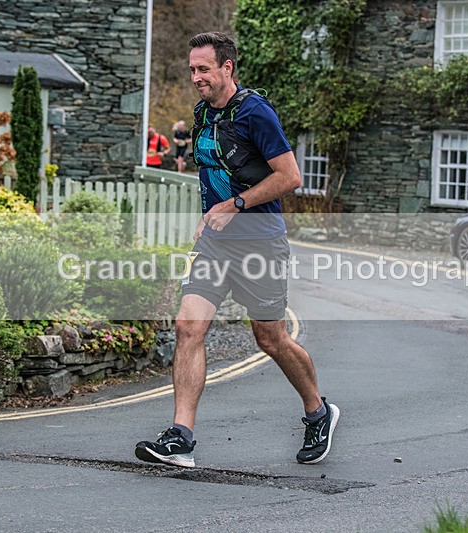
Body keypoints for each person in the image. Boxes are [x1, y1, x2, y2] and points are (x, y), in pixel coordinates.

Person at [135, 32, 339, 468]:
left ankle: (318, 411)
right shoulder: (202, 114)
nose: (196, 77)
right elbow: (212, 173)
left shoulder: (255, 112)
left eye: (204, 69)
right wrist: (209, 214)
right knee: (188, 326)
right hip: (215, 244)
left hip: (260, 242)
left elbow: (290, 176)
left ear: (227, 67)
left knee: (271, 338)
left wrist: (235, 205)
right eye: (192, 69)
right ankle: (181, 437)